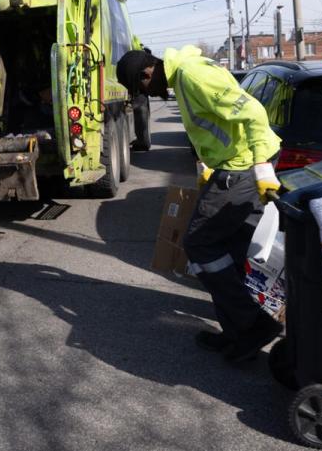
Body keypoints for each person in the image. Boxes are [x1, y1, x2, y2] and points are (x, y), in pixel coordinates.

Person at [116, 45, 283, 362]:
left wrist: (261, 166)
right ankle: (237, 333)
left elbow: (253, 113)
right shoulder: (182, 76)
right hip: (232, 166)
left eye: (142, 89)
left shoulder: (193, 75)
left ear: (147, 74)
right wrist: (206, 166)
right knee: (230, 250)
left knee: (200, 246)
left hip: (242, 169)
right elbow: (213, 125)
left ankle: (253, 324)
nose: (148, 95)